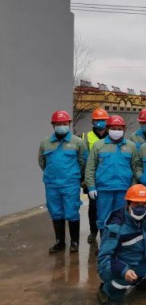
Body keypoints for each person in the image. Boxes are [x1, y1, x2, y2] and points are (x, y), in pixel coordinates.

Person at [96, 184, 146, 305]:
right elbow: (104, 259)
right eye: (136, 204)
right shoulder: (115, 226)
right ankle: (107, 290)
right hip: (122, 266)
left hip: (139, 261)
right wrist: (124, 271)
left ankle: (139, 279)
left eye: (144, 204)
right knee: (117, 294)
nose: (140, 208)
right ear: (128, 203)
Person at [39, 110, 87, 253]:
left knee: (72, 212)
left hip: (70, 183)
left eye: (64, 123)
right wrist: (52, 174)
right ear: (53, 125)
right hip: (52, 184)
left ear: (69, 124)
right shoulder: (45, 142)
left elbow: (83, 161)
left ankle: (74, 242)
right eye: (58, 124)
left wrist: (76, 176)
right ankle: (60, 242)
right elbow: (42, 162)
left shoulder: (78, 142)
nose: (62, 126)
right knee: (56, 212)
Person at [85, 115, 138, 233]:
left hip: (124, 189)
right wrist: (91, 186)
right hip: (104, 189)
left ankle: (117, 243)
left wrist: (133, 187)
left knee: (121, 219)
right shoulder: (98, 145)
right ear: (108, 129)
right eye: (113, 128)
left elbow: (136, 168)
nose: (116, 131)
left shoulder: (131, 146)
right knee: (103, 219)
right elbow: (90, 167)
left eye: (119, 129)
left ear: (124, 129)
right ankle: (104, 242)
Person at [81, 107, 109, 244]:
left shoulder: (111, 136)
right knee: (93, 208)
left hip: (106, 177)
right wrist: (85, 180)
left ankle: (107, 232)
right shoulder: (86, 137)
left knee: (107, 207)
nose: (100, 122)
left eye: (103, 120)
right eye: (98, 120)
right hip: (92, 177)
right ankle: (93, 231)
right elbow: (83, 159)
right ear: (92, 121)